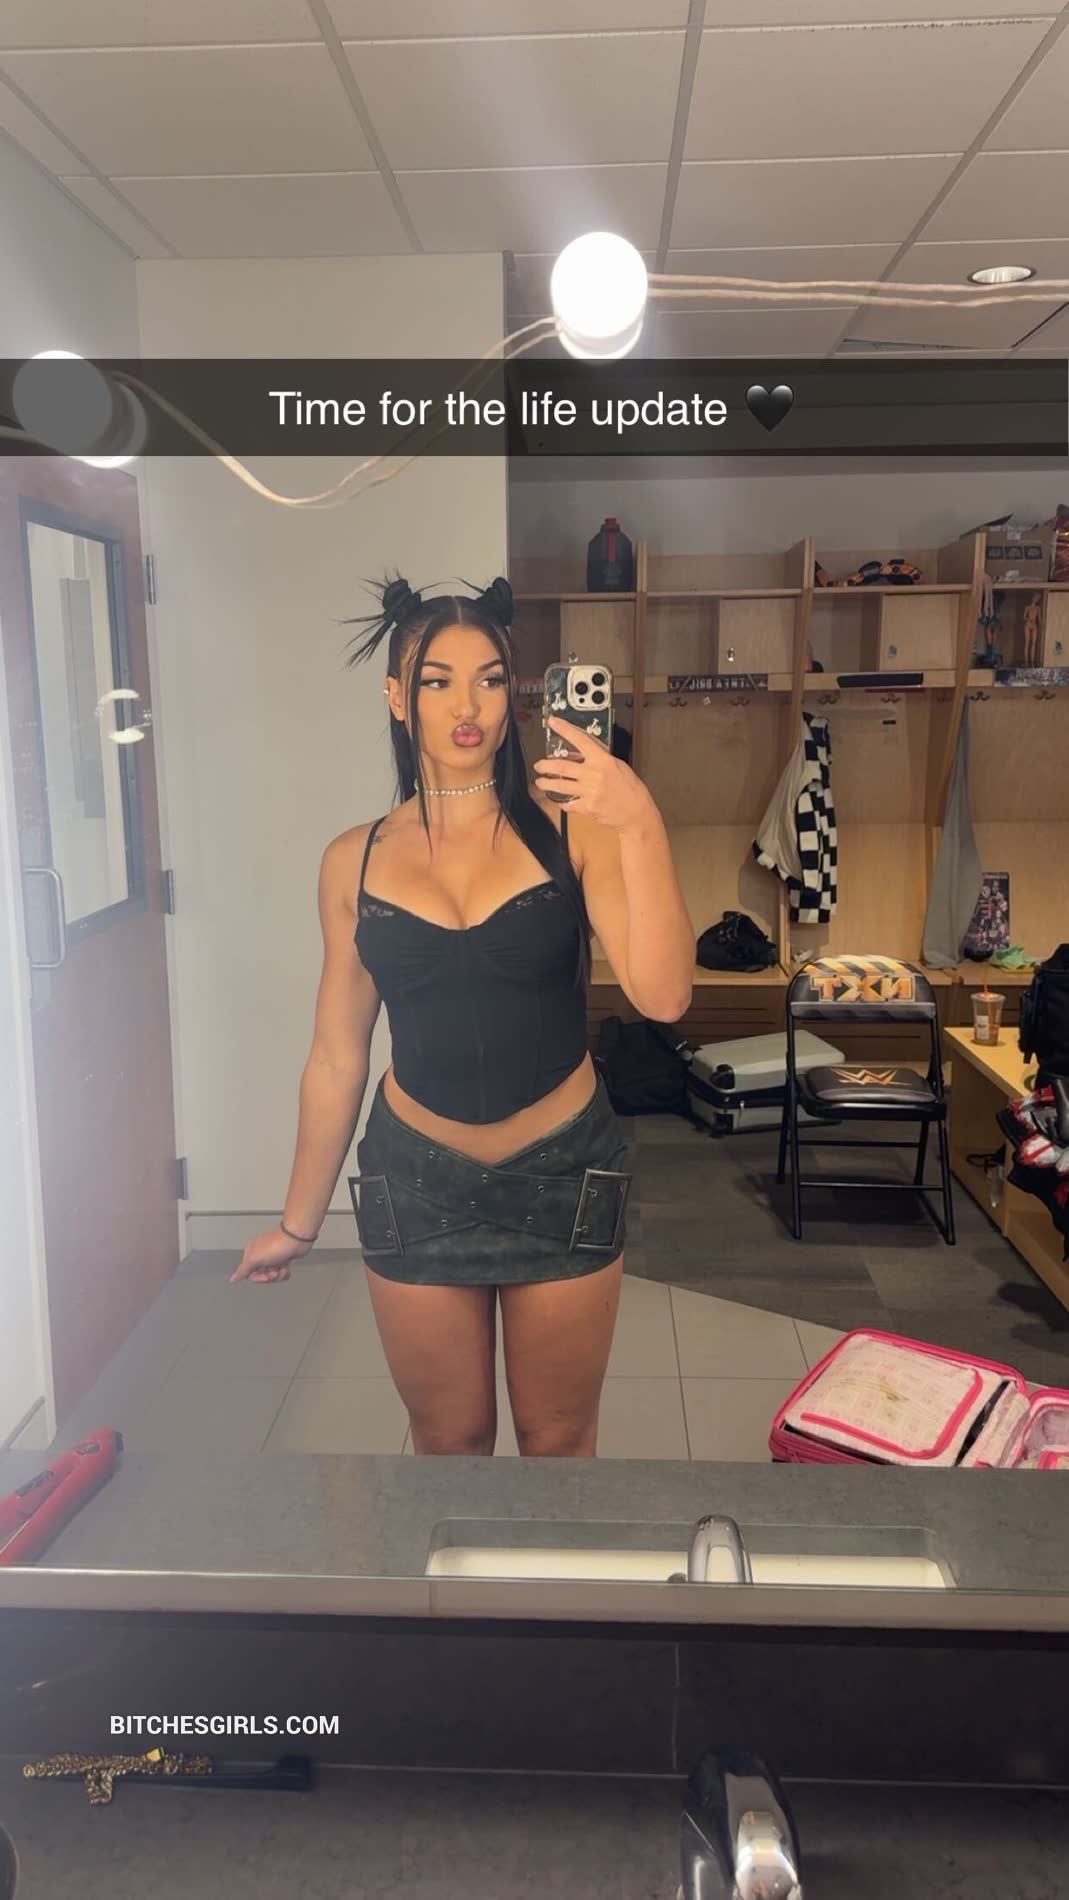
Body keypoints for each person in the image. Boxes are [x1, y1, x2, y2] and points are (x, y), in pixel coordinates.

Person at [232, 574, 695, 1456]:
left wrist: (638, 820)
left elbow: (663, 996)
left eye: (488, 679)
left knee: (558, 1442)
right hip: (415, 1181)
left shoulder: (577, 828)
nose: (467, 705)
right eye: (437, 680)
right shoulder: (351, 859)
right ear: (396, 697)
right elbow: (336, 1055)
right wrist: (297, 1222)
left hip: (564, 1173)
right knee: (447, 1442)